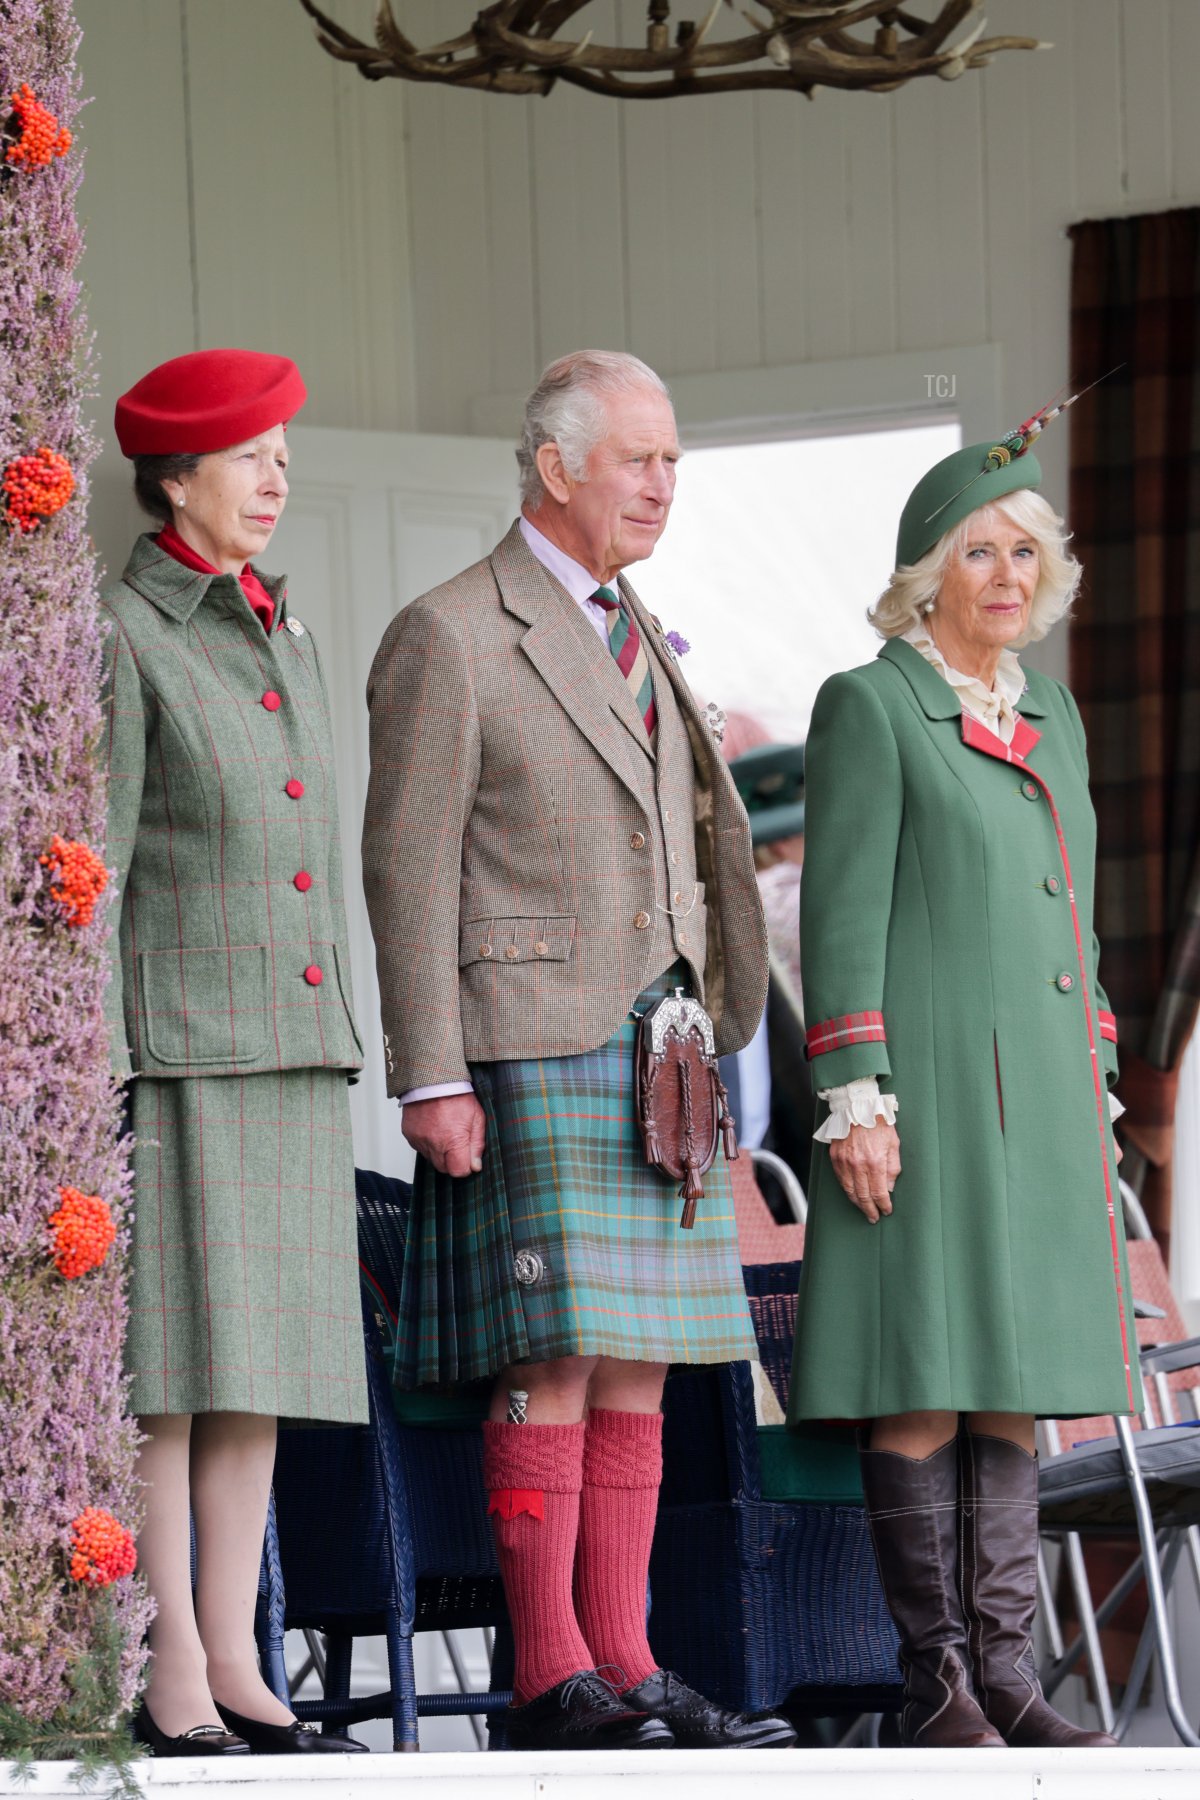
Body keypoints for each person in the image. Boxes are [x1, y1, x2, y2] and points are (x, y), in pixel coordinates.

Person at [362, 350, 795, 1753]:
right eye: (638, 458)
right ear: (556, 468)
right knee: (551, 1353)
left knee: (644, 1365)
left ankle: (630, 1656)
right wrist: (431, 1072)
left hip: (662, 1054)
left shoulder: (640, 626)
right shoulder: (450, 631)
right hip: (527, 1041)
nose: (664, 482)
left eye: (672, 458)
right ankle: (551, 1679)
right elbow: (408, 867)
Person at [788, 430, 1141, 1750]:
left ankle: (1007, 1679)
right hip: (924, 1098)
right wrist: (855, 1095)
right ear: (930, 573)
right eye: (979, 550)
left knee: (1011, 1380)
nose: (1006, 573)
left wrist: (1096, 1078)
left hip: (1041, 1100)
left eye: (1025, 551)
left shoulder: (1055, 714)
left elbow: (1080, 925)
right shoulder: (873, 703)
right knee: (925, 1374)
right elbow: (840, 917)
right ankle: (931, 1683)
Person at [103, 350, 368, 1757]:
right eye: (249, 455)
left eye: (281, 453)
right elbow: (93, 870)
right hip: (179, 1047)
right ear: (176, 476)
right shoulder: (127, 631)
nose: (276, 478)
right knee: (175, 1372)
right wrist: (87, 1070)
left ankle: (238, 1658)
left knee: (255, 1368)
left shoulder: (287, 631)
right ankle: (171, 1669)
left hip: (289, 1040)